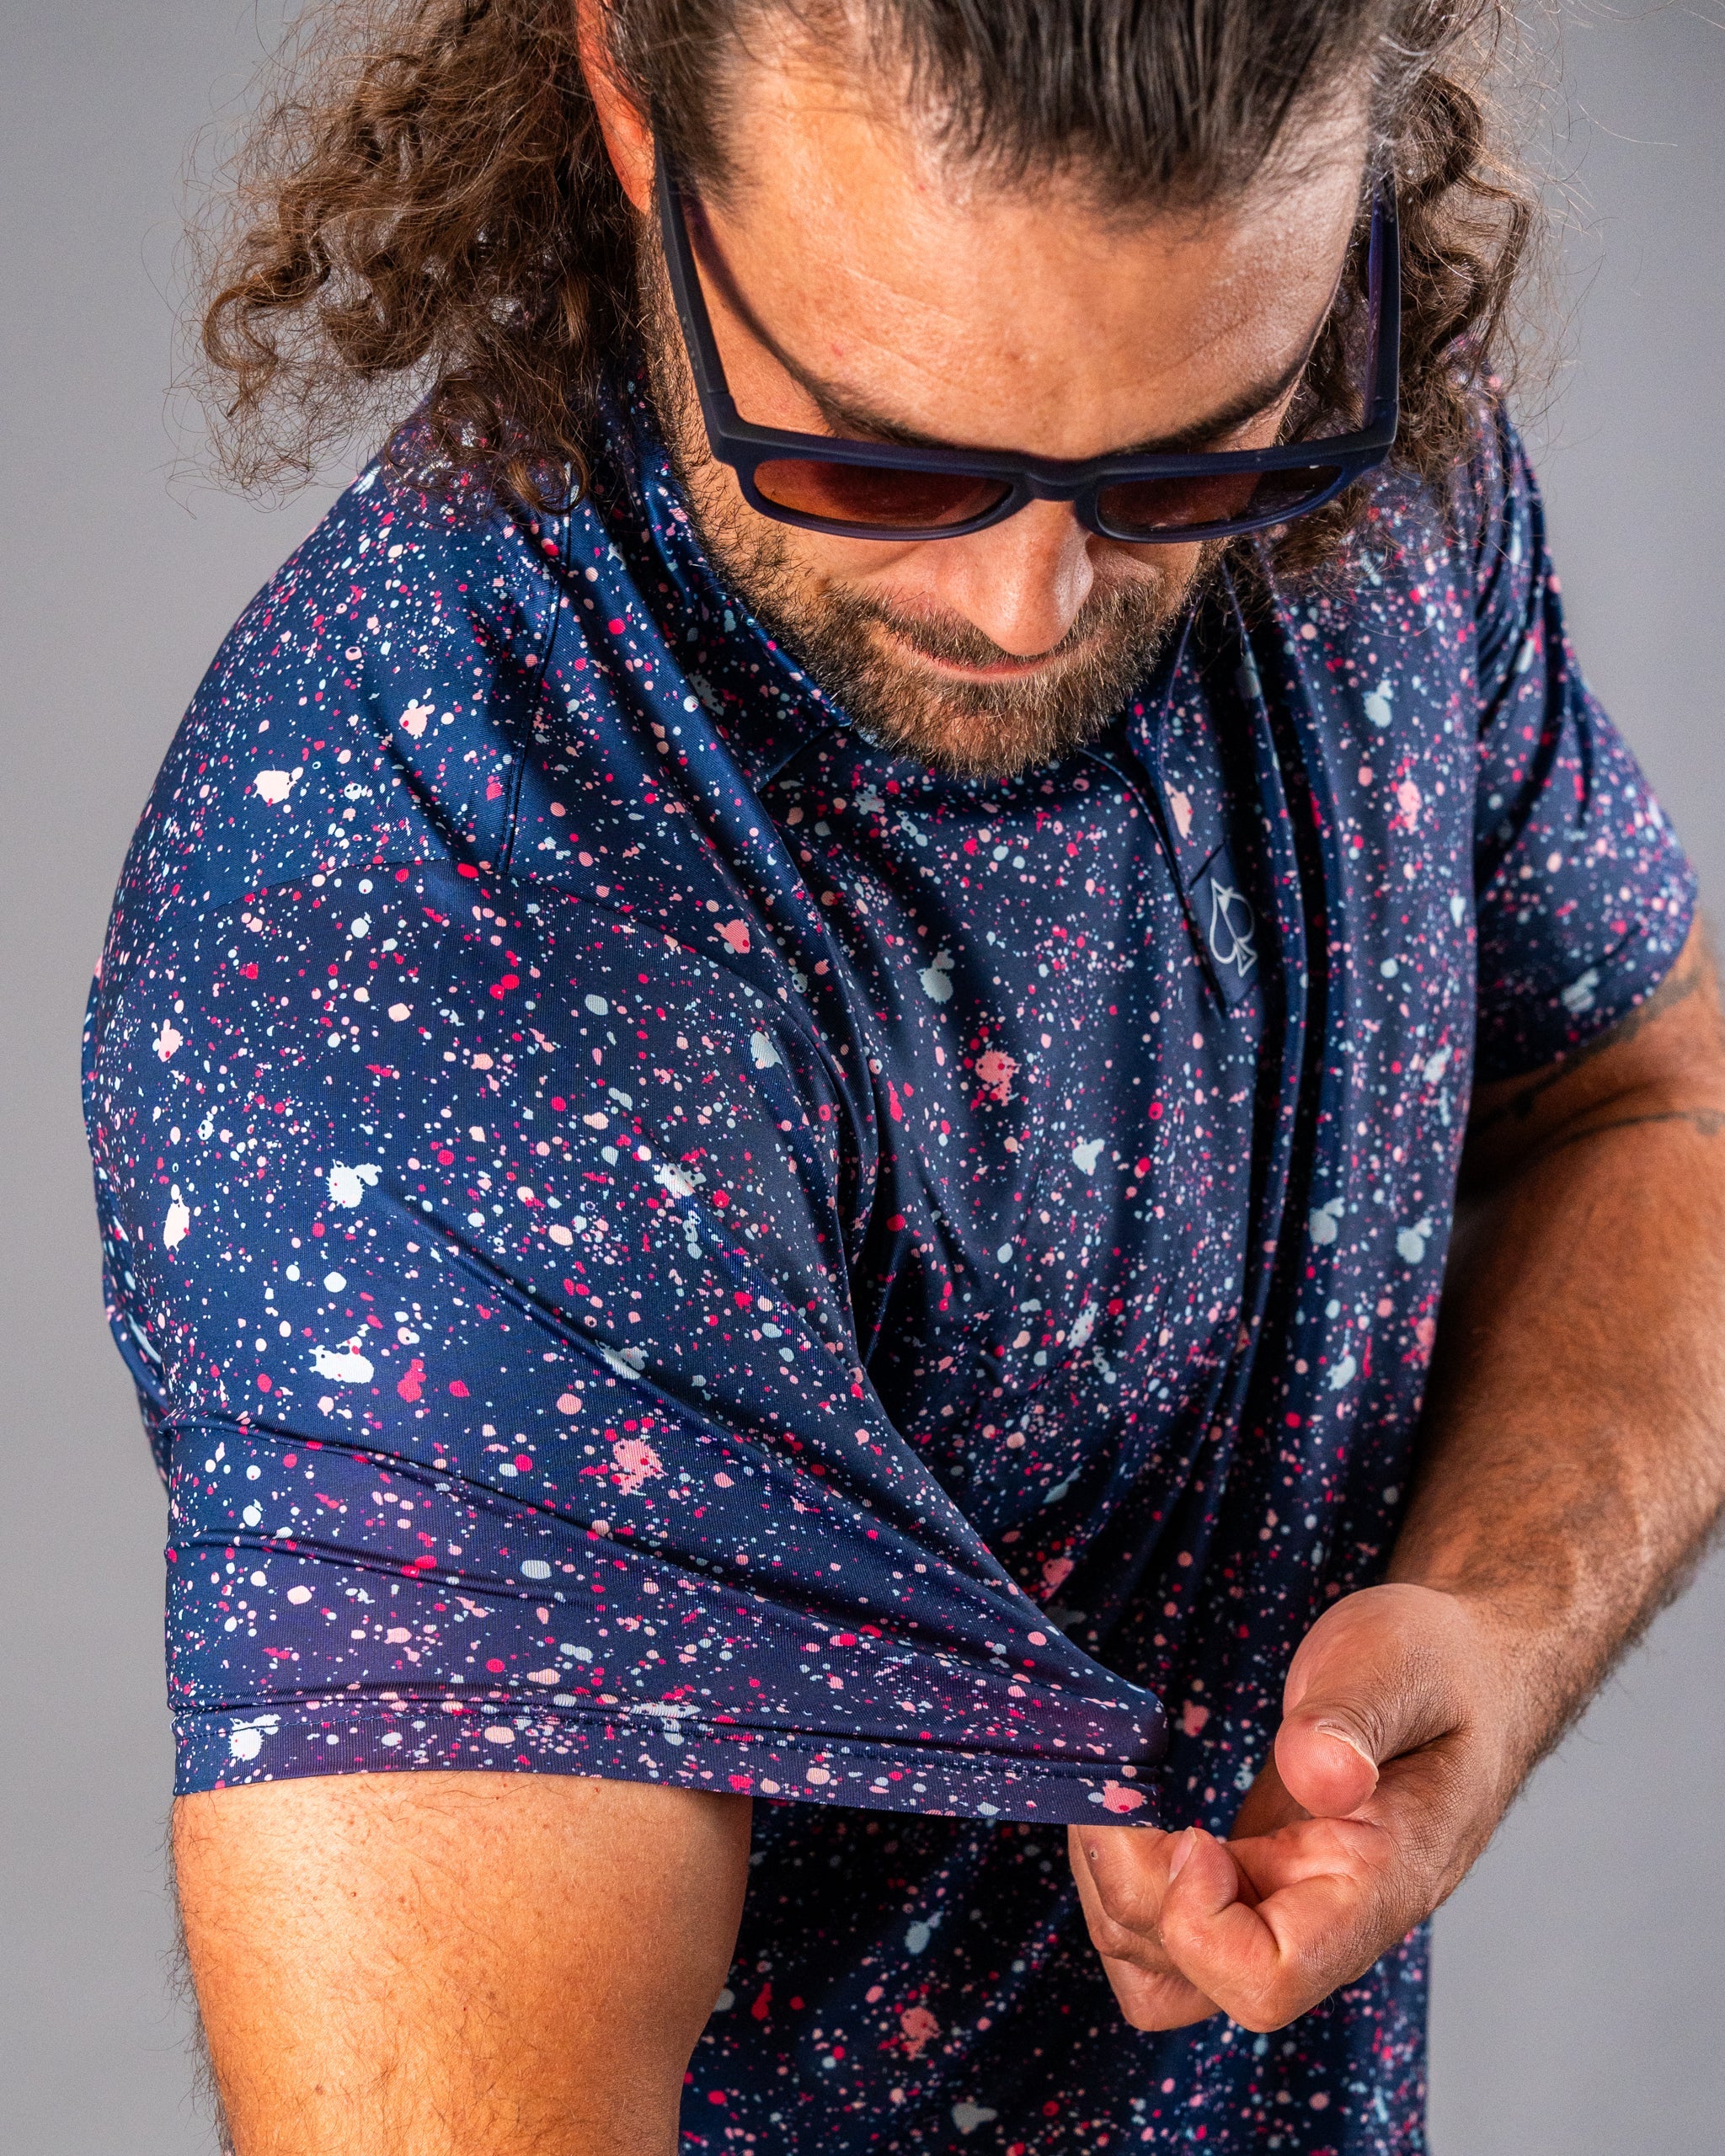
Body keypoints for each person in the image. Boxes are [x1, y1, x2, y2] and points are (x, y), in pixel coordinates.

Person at [82, 0, 1725, 2149]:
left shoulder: (1361, 426)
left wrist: (1498, 1628)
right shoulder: (426, 968)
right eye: (877, 454)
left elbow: (1645, 1096)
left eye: (1183, 463)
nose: (1030, 601)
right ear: (628, 94)